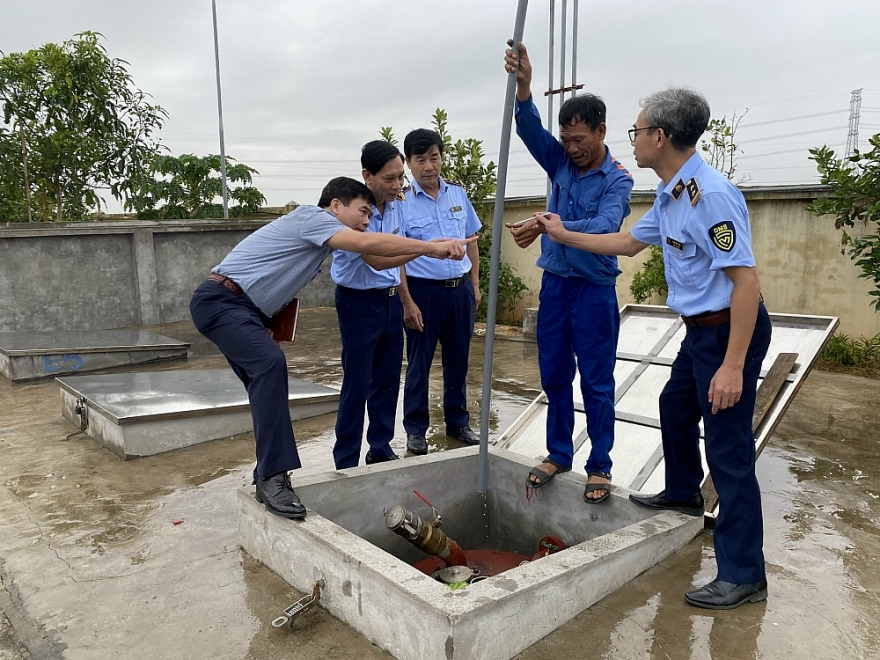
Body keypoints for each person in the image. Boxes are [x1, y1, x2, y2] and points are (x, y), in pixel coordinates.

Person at [534, 87, 772, 610]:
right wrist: (562, 233)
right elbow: (625, 243)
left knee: (729, 454)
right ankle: (682, 492)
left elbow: (746, 282)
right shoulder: (671, 193)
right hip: (700, 331)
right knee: (674, 406)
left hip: (729, 331)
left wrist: (733, 366)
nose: (633, 140)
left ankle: (744, 573)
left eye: (637, 131)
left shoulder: (708, 197)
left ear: (660, 137)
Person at [190, 177, 475, 520]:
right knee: (270, 365)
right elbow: (367, 241)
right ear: (337, 204)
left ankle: (265, 473)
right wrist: (432, 247)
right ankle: (273, 478)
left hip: (244, 310)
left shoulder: (322, 240)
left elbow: (379, 258)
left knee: (264, 383)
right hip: (221, 301)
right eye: (363, 211)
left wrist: (428, 245)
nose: (367, 220)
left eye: (371, 215)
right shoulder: (312, 217)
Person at [503, 41, 634, 503]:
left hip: (595, 291)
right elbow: (529, 130)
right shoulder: (559, 159)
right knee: (554, 374)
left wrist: (548, 225)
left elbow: (604, 227)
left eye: (580, 140)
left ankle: (600, 465)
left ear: (601, 131)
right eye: (567, 141)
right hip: (556, 286)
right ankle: (559, 452)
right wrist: (524, 87)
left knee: (596, 380)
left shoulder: (619, 179)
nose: (572, 149)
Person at [397, 128, 482, 455]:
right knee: (418, 363)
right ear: (408, 163)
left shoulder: (457, 195)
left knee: (458, 361)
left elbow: (472, 242)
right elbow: (398, 258)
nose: (429, 166)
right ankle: (416, 431)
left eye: (434, 157)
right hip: (422, 293)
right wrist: (407, 301)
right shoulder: (402, 202)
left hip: (459, 292)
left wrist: (474, 285)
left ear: (442, 158)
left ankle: (458, 423)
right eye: (421, 159)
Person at [330, 141, 408, 469]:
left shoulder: (398, 205)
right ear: (368, 176)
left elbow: (397, 258)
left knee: (388, 379)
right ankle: (346, 457)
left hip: (390, 302)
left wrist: (407, 300)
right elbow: (377, 258)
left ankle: (380, 446)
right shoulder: (354, 211)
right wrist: (429, 249)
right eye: (389, 179)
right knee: (357, 382)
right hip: (358, 304)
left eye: (401, 177)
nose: (397, 185)